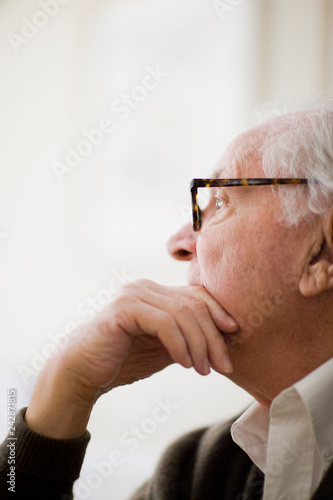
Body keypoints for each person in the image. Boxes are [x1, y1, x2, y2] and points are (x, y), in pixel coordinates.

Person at [1, 100, 333, 500]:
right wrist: (63, 394)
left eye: (221, 201)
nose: (177, 244)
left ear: (323, 252)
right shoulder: (197, 471)